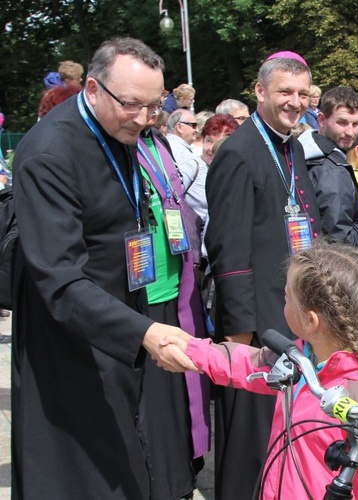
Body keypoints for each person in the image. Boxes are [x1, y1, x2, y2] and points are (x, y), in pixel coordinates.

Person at [11, 36, 198, 499]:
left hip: (122, 322)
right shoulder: (50, 154)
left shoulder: (123, 129)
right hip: (73, 340)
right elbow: (59, 279)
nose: (144, 119)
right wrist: (144, 333)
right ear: (92, 89)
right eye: (132, 105)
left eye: (154, 107)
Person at [162, 242, 358, 498]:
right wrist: (193, 350)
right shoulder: (303, 357)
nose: (283, 303)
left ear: (311, 321)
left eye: (287, 297)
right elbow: (250, 363)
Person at [204, 50, 322, 499]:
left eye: (301, 93)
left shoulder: (290, 144)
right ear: (259, 92)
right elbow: (226, 250)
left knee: (282, 425)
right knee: (250, 433)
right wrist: (239, 333)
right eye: (284, 92)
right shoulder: (239, 152)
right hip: (258, 322)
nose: (295, 102)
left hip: (292, 306)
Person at [136, 109, 210, 499]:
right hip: (140, 295)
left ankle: (181, 476)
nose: (147, 112)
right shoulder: (115, 144)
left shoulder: (159, 143)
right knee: (152, 406)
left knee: (179, 395)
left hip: (176, 286)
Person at [299, 85, 358, 247]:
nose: (350, 132)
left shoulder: (305, 152)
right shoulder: (332, 170)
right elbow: (340, 244)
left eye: (356, 124)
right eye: (342, 123)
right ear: (322, 120)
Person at [165, 108, 201, 189]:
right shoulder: (180, 151)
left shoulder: (164, 145)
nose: (197, 130)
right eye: (194, 125)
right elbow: (177, 186)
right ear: (180, 127)